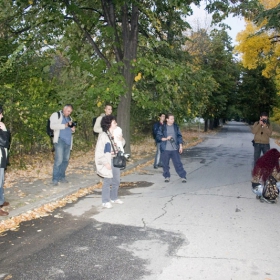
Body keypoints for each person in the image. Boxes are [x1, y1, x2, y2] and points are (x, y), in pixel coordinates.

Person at [95, 115, 125, 209]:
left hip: (115, 159)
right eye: (114, 122)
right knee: (107, 181)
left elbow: (121, 145)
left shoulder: (115, 133)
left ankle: (114, 197)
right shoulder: (103, 136)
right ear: (109, 124)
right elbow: (99, 152)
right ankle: (105, 201)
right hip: (108, 161)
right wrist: (105, 163)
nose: (116, 124)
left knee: (116, 180)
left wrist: (122, 140)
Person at [156, 113, 187, 183]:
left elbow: (179, 136)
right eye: (171, 119)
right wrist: (166, 138)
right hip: (165, 149)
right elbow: (158, 137)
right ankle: (167, 176)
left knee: (178, 163)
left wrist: (180, 146)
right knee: (165, 164)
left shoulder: (176, 126)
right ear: (167, 119)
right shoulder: (162, 127)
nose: (173, 120)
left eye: (173, 118)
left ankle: (183, 176)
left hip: (175, 149)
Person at [50, 104, 76, 186]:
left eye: (70, 112)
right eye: (68, 111)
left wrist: (72, 129)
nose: (69, 113)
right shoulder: (56, 115)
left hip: (68, 142)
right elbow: (52, 126)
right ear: (64, 109)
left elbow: (71, 130)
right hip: (60, 140)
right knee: (59, 160)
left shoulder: (69, 118)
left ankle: (62, 176)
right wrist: (64, 125)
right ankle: (55, 179)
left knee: (65, 160)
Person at [0, 105, 10, 216]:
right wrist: (4, 129)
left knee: (1, 181)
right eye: (1, 113)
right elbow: (4, 142)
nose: (2, 115)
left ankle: (1, 201)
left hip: (1, 158)